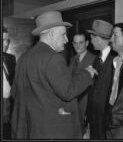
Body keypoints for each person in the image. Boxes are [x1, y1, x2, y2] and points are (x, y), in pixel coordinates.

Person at [11, 11, 97, 139]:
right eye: (63, 35)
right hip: (53, 131)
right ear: (51, 34)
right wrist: (87, 73)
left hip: (30, 129)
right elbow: (67, 91)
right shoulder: (53, 57)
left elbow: (15, 93)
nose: (66, 40)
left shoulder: (23, 58)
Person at [70, 33, 96, 137]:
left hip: (87, 103)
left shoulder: (95, 59)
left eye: (81, 43)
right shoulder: (72, 60)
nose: (78, 46)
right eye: (75, 43)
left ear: (87, 43)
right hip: (74, 103)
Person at [3, 26, 16, 139]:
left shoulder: (11, 58)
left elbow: (14, 82)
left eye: (7, 40)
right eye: (2, 40)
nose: (6, 43)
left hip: (9, 103)